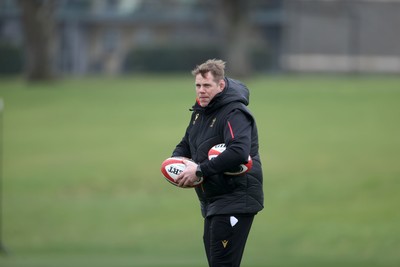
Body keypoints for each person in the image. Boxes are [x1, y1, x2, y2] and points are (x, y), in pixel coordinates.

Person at [172, 59, 264, 267]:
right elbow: (186, 143)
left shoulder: (234, 112)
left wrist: (200, 170)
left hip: (235, 199)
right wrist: (176, 162)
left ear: (220, 86)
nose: (201, 91)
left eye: (207, 86)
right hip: (213, 201)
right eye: (198, 85)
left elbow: (239, 152)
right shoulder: (200, 113)